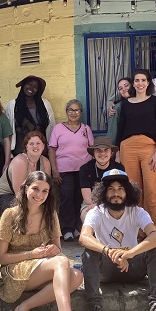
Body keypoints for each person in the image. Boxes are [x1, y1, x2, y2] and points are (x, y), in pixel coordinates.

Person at [0, 171, 98, 311]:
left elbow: (58, 249)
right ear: (25, 188)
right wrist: (31, 254)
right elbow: (0, 258)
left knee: (76, 276)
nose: (40, 195)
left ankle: (23, 308)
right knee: (63, 262)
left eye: (45, 191)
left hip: (40, 268)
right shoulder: (10, 214)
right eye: (35, 189)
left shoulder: (50, 214)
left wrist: (52, 250)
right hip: (15, 269)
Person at [79, 169, 156, 311]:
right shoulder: (96, 212)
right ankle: (95, 308)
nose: (116, 193)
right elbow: (84, 237)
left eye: (120, 189)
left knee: (154, 249)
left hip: (133, 266)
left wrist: (130, 253)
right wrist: (108, 251)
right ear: (103, 193)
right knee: (89, 252)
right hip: (107, 269)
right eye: (111, 189)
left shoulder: (137, 212)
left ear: (127, 192)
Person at [116, 69, 156, 226]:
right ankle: (136, 230)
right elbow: (121, 129)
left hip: (149, 148)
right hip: (127, 148)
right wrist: (117, 151)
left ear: (149, 82)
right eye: (137, 80)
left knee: (152, 189)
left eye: (143, 80)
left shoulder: (155, 101)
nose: (140, 83)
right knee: (132, 188)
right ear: (133, 83)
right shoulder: (125, 104)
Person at [49, 99, 94, 242]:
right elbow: (51, 149)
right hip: (64, 169)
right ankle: (67, 229)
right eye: (70, 110)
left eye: (77, 110)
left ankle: (77, 228)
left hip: (83, 169)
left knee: (79, 198)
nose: (73, 113)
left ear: (81, 113)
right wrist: (54, 171)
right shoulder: (58, 128)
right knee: (66, 197)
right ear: (66, 112)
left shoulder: (86, 129)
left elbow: (92, 149)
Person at [0, 131, 52, 217]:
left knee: (49, 205)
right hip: (3, 197)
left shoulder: (45, 162)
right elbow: (19, 193)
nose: (35, 146)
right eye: (31, 144)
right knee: (22, 209)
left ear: (43, 146)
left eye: (38, 143)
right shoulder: (20, 161)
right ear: (26, 146)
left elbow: (46, 188)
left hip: (30, 195)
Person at [4, 75, 56, 156]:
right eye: (29, 84)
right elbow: (7, 130)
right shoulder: (12, 105)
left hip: (40, 149)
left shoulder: (45, 104)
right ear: (23, 85)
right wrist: (9, 154)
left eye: (35, 86)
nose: (32, 87)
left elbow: (51, 126)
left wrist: (51, 149)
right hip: (20, 150)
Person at [78, 137, 124, 222]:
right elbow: (87, 198)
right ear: (93, 154)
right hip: (92, 203)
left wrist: (105, 205)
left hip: (114, 201)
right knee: (86, 215)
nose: (102, 153)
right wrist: (98, 205)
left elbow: (121, 194)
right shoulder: (85, 169)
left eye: (106, 150)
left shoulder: (119, 168)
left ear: (111, 153)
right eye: (98, 150)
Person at [106, 77, 131, 147]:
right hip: (126, 145)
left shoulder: (145, 102)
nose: (123, 89)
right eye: (120, 88)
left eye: (126, 86)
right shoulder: (118, 107)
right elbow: (112, 131)